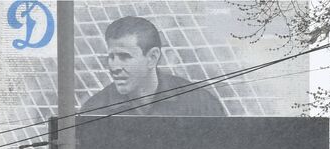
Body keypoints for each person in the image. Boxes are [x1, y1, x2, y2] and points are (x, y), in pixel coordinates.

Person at [81, 16, 226, 117]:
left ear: (152, 58)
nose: (114, 67)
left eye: (125, 57)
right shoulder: (94, 111)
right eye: (111, 57)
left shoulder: (199, 104)